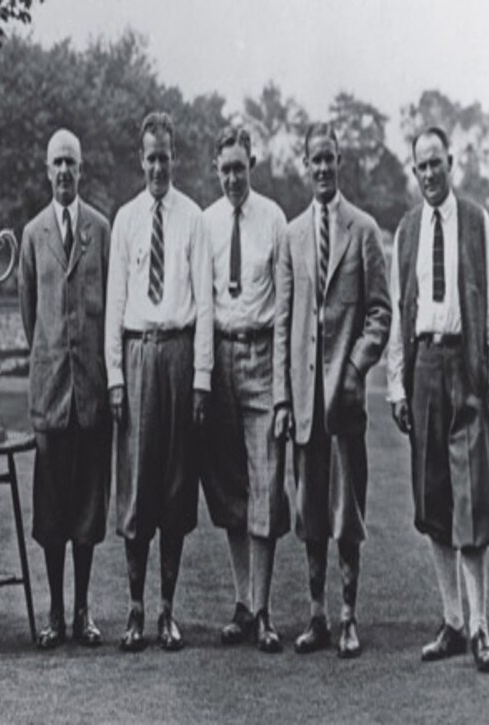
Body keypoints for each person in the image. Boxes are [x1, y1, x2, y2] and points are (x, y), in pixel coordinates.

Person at [387, 127, 489, 672]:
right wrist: (396, 384)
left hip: (469, 368)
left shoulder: (478, 222)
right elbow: (398, 311)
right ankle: (453, 621)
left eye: (437, 164)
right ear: (414, 173)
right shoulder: (407, 230)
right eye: (421, 168)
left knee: (472, 503)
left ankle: (481, 626)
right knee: (435, 499)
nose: (430, 175)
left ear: (451, 164)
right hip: (424, 369)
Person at [273, 122, 390, 659]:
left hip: (343, 400)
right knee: (311, 513)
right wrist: (282, 395)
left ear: (340, 161)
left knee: (347, 514)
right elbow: (284, 321)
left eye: (329, 159)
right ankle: (317, 615)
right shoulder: (294, 234)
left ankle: (348, 617)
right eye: (314, 160)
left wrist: (355, 367)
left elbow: (380, 313)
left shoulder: (363, 230)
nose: (322, 168)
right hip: (302, 401)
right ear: (307, 164)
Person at [105, 111, 213, 652]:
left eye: (165, 157)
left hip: (178, 353)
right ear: (139, 158)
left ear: (176, 157)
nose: (157, 166)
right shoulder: (125, 219)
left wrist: (201, 377)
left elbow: (206, 305)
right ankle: (134, 609)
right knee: (137, 489)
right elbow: (114, 306)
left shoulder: (192, 218)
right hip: (138, 355)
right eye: (149, 157)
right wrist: (114, 377)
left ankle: (167, 610)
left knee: (174, 486)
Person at [19, 128, 112, 649]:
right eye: (56, 162)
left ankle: (83, 610)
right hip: (51, 393)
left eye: (71, 163)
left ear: (81, 168)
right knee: (52, 512)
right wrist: (52, 360)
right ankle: (54, 611)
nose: (63, 172)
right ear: (46, 168)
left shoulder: (100, 227)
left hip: (92, 394)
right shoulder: (33, 234)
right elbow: (32, 315)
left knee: (87, 511)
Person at [201, 127, 289, 653]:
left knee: (266, 484)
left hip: (260, 356)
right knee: (232, 487)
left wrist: (281, 390)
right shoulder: (207, 223)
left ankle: (264, 608)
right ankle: (242, 603)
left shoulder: (273, 219)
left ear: (251, 164)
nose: (233, 177)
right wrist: (205, 376)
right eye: (225, 169)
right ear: (216, 169)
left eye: (240, 167)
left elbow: (283, 307)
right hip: (220, 361)